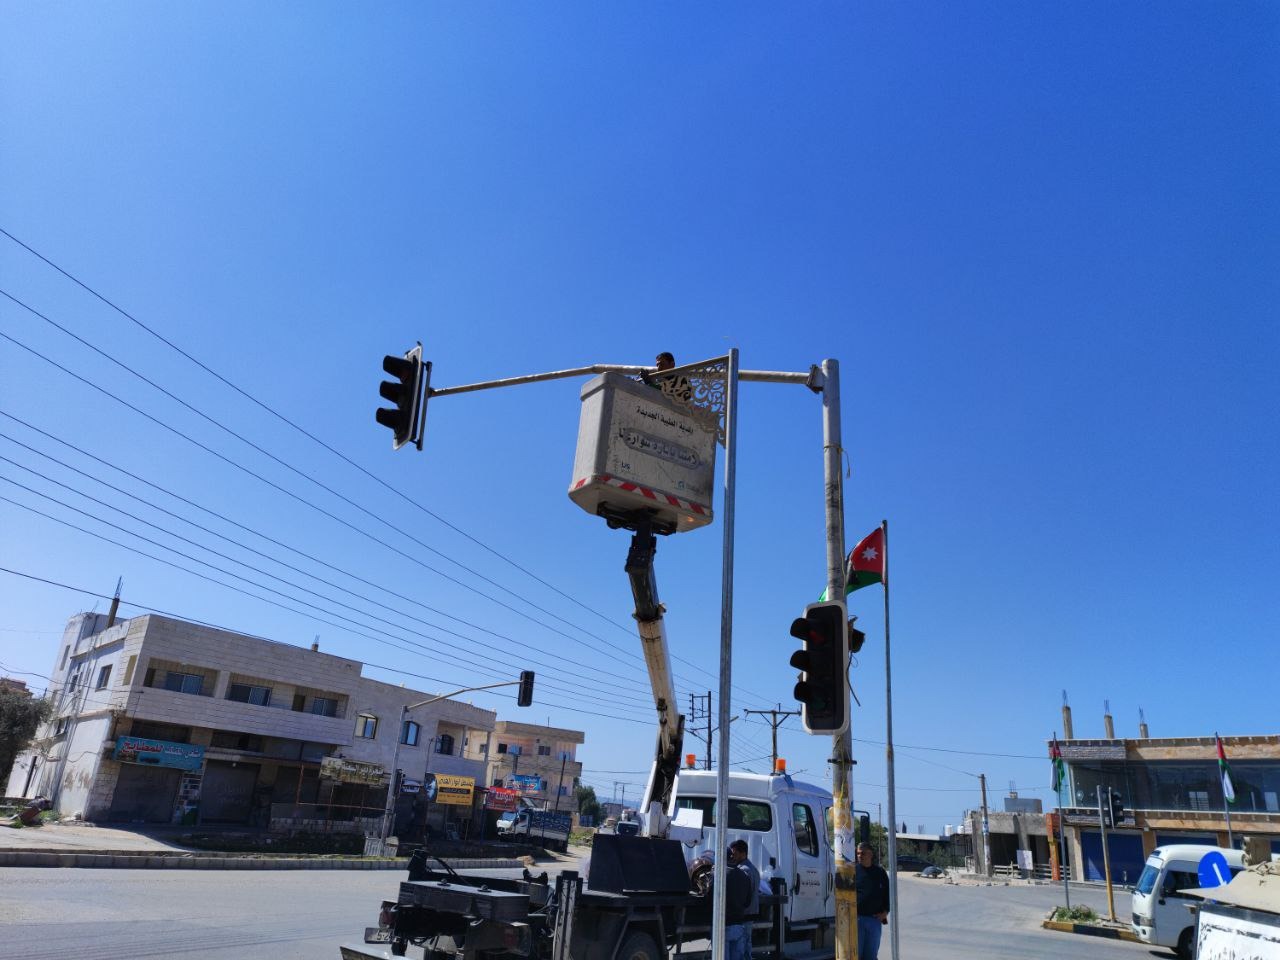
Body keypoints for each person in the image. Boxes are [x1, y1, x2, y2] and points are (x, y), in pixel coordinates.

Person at [855, 842, 890, 960]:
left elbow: (887, 894)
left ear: (870, 854)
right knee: (856, 955)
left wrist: (886, 911)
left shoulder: (880, 872)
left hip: (874, 920)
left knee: (871, 956)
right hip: (857, 920)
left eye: (863, 853)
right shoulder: (853, 871)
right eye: (858, 853)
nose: (860, 856)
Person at [728, 840, 761, 958]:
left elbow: (743, 894)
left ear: (743, 853)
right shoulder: (753, 868)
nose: (732, 856)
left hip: (745, 912)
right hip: (751, 911)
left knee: (742, 946)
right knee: (746, 942)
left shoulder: (743, 870)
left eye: (735, 853)